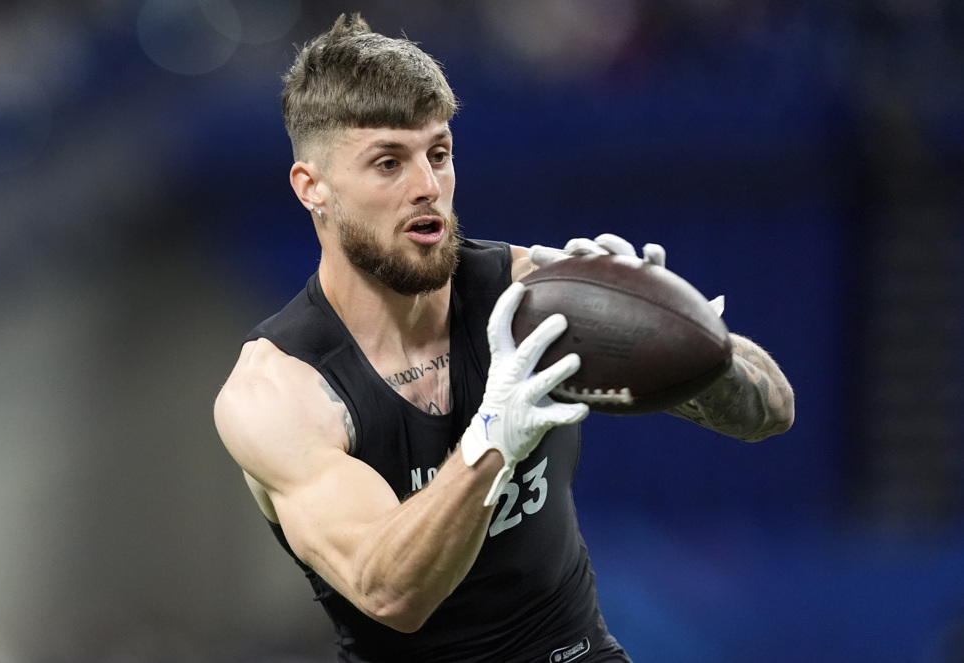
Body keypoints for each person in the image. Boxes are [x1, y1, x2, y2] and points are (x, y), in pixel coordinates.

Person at [213, 13, 794, 663]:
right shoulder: (280, 390)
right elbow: (390, 592)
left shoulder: (525, 291)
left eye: (438, 154)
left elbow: (770, 410)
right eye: (387, 163)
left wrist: (679, 338)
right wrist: (493, 436)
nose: (426, 188)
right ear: (311, 187)